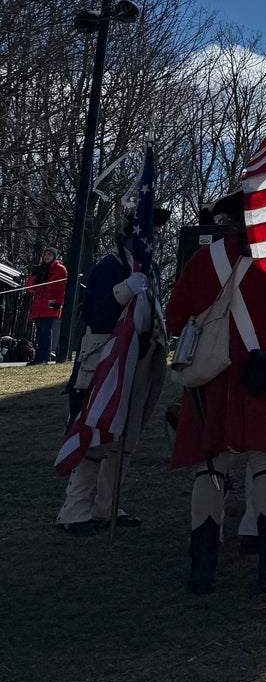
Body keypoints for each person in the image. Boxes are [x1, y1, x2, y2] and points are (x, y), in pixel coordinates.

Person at [165, 190, 266, 594]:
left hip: (213, 377)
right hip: (265, 372)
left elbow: (176, 316)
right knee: (265, 466)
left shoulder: (202, 261)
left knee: (210, 466)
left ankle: (202, 569)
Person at [55, 221, 147, 531]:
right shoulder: (110, 266)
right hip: (105, 359)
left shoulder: (147, 270)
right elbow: (96, 312)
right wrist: (123, 291)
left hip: (137, 359)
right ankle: (75, 509)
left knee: (124, 439)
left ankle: (107, 505)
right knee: (93, 433)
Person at [25, 247, 66, 364]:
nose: (46, 256)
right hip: (38, 305)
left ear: (54, 256)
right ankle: (38, 357)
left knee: (46, 332)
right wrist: (33, 275)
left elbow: (62, 288)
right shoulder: (40, 269)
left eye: (49, 254)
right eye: (45, 254)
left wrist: (58, 304)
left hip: (50, 303)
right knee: (38, 333)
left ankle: (45, 356)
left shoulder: (60, 269)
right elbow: (30, 288)